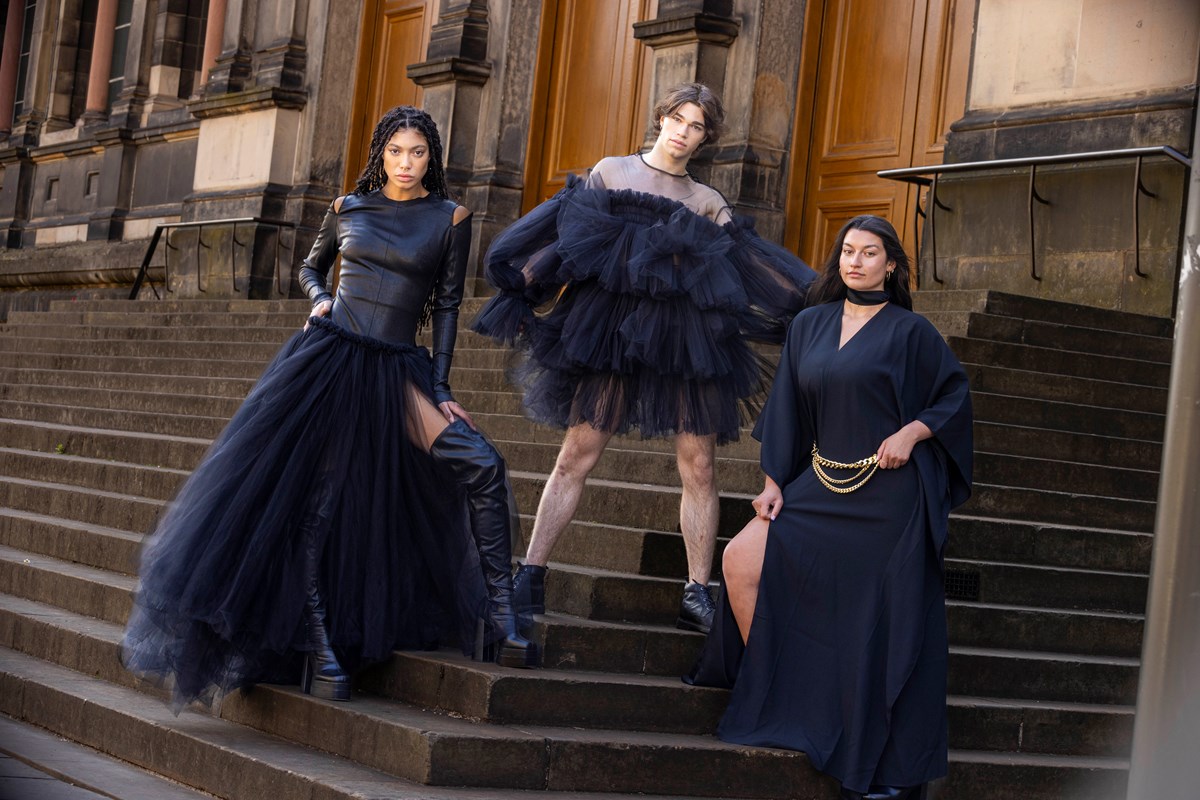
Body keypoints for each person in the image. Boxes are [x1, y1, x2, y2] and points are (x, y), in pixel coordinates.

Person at [122, 106, 537, 710]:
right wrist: (318, 298)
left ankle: (503, 616)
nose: (404, 163)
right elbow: (309, 268)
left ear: (432, 158)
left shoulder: (451, 218)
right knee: (317, 506)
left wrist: (442, 390)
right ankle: (320, 648)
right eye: (394, 151)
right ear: (380, 154)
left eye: (416, 153)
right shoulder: (347, 208)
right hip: (330, 361)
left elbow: (446, 306)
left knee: (482, 464)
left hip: (397, 368)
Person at [471, 83, 815, 635]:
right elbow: (563, 238)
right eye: (677, 118)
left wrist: (814, 301)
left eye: (696, 124)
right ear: (661, 118)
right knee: (575, 456)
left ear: (706, 137)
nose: (683, 130)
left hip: (684, 344)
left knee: (699, 465)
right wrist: (523, 282)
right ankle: (530, 573)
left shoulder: (706, 202)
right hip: (610, 333)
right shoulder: (610, 172)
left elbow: (751, 265)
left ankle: (696, 592)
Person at [685, 215, 973, 799]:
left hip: (890, 494)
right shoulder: (810, 325)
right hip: (820, 480)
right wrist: (772, 483)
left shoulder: (912, 332)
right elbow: (787, 409)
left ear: (891, 265)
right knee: (742, 558)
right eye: (847, 251)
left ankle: (874, 748)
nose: (855, 262)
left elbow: (953, 397)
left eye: (870, 254)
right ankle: (786, 692)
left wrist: (912, 433)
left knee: (875, 609)